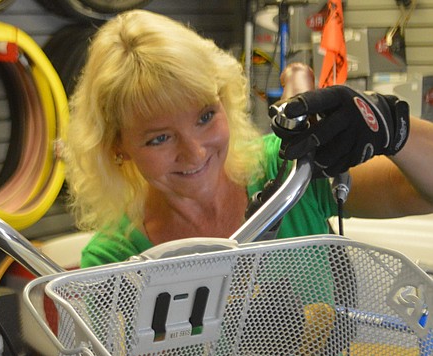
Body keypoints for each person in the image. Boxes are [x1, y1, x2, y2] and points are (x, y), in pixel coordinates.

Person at [62, 9, 433, 268]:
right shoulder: (115, 259)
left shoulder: (291, 171)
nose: (194, 152)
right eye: (160, 139)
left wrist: (393, 125)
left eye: (206, 117)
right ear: (117, 149)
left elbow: (419, 190)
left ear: (225, 100)